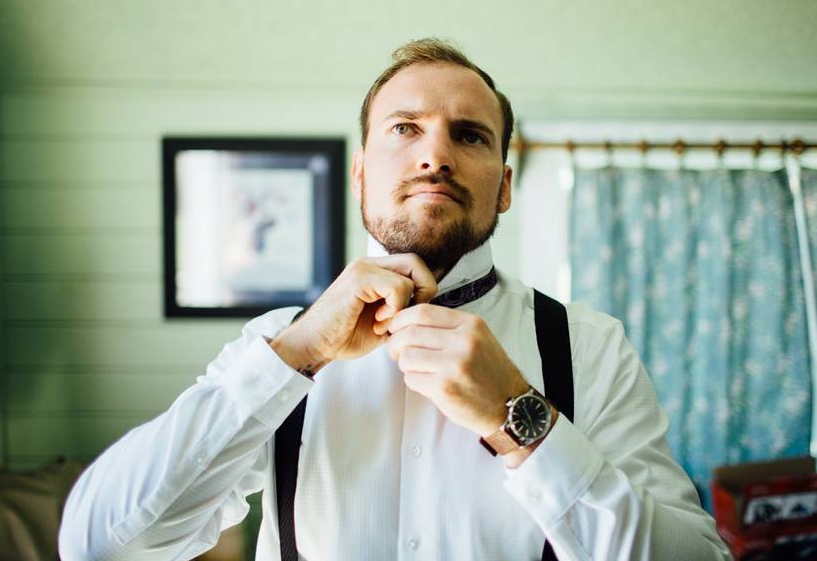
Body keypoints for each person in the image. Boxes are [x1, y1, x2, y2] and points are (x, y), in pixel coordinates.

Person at [59, 38, 731, 560]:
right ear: (360, 176)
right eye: (404, 129)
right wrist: (293, 356)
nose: (434, 155)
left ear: (504, 186)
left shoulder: (589, 345)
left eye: (469, 135)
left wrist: (522, 419)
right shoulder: (276, 344)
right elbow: (99, 545)